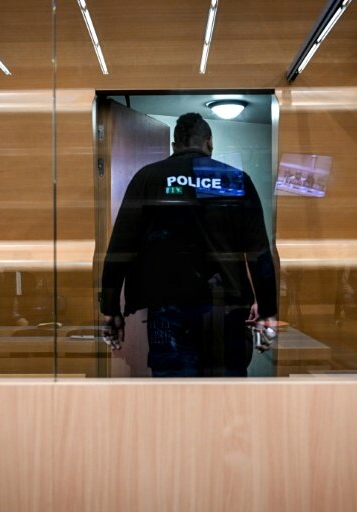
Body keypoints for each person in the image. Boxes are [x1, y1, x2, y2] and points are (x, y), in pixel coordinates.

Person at [100, 112, 278, 377]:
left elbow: (120, 248)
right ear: (209, 143)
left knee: (176, 400)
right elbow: (259, 251)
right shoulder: (232, 179)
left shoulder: (148, 178)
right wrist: (267, 310)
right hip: (225, 309)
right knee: (228, 397)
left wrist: (110, 308)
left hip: (169, 309)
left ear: (175, 146)